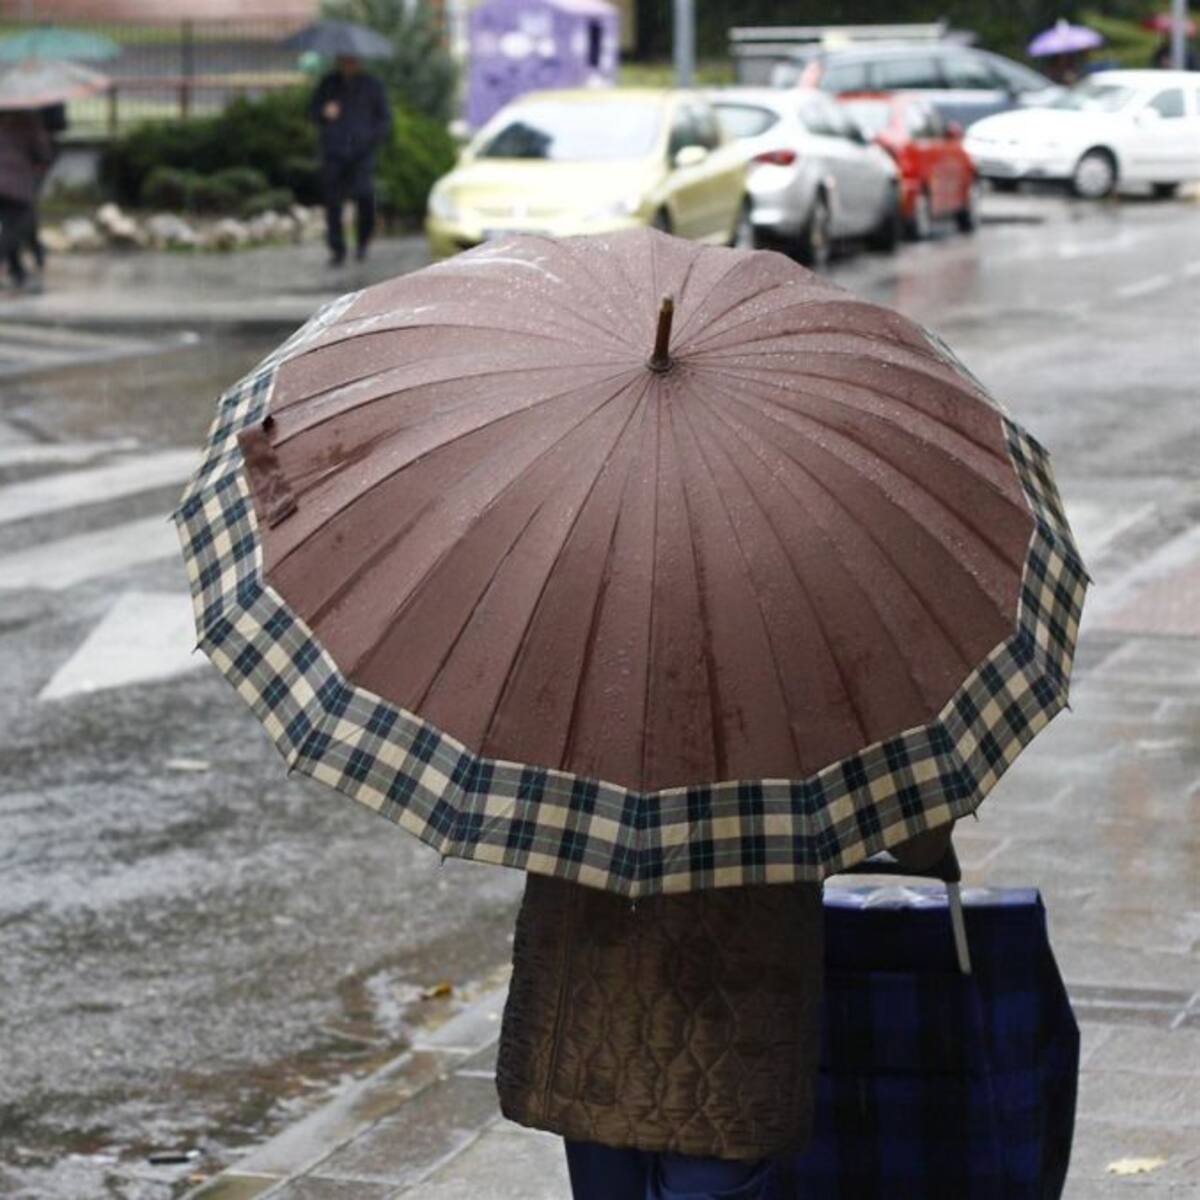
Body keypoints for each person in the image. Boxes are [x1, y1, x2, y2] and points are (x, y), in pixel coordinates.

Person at [496, 820, 953, 1199]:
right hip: (727, 1024)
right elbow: (918, 840)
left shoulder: (569, 710)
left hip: (590, 1014)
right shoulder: (803, 708)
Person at [308, 55, 392, 267]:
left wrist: (370, 138)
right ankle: (337, 249)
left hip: (362, 153)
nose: (348, 64)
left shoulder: (372, 85)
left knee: (365, 196)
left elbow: (384, 119)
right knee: (333, 202)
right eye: (344, 60)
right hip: (334, 152)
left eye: (352, 60)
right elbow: (313, 112)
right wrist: (324, 112)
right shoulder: (328, 84)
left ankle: (363, 242)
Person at [0, 108, 51, 294]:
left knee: (10, 226)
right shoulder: (28, 123)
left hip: (8, 185)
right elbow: (43, 154)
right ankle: (17, 268)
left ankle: (18, 272)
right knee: (18, 226)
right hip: (16, 185)